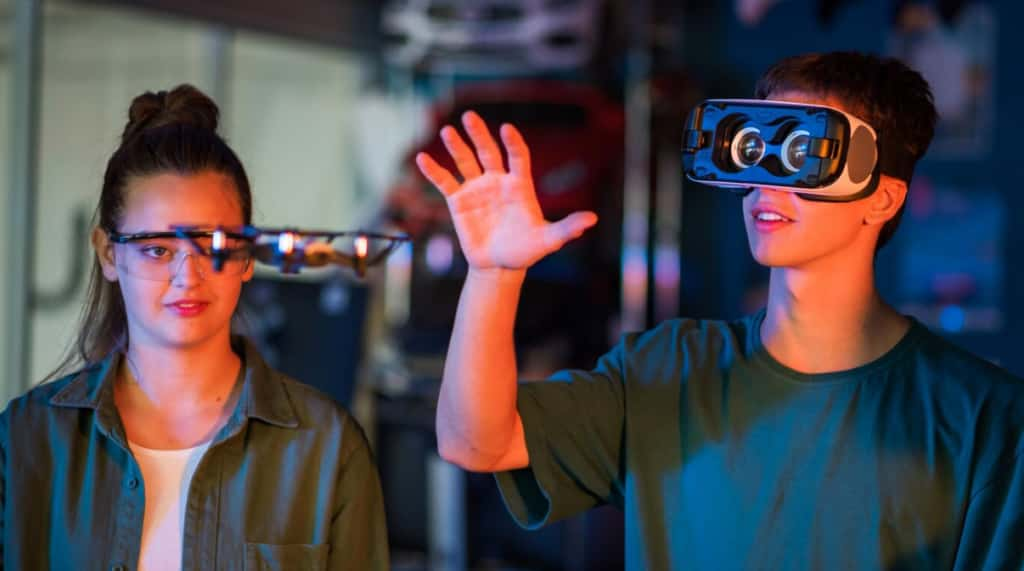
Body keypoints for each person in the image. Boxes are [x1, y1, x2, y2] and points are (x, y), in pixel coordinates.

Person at [416, 51, 1024, 569]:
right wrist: (494, 274)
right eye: (755, 150)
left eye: (804, 154)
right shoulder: (666, 368)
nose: (767, 185)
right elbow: (477, 444)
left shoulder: (981, 418)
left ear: (882, 198)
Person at [0, 85, 388, 570]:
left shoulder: (327, 448)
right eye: (157, 249)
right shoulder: (28, 438)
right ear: (107, 253)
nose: (189, 276)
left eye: (214, 246)